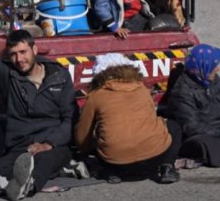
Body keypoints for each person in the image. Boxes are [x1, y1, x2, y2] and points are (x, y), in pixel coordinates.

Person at [0, 11, 75, 201]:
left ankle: (27, 186)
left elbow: (70, 118)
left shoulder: (59, 76)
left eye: (23, 52)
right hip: (21, 146)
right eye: (13, 55)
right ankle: (25, 179)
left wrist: (48, 144)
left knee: (45, 161)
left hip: (52, 144)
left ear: (35, 50)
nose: (19, 59)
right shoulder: (10, 78)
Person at [75, 53, 182, 184]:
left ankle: (111, 172)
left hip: (116, 162)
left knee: (100, 133)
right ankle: (167, 166)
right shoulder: (142, 89)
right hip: (154, 158)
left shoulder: (96, 96)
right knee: (173, 126)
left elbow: (82, 137)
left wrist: (87, 150)